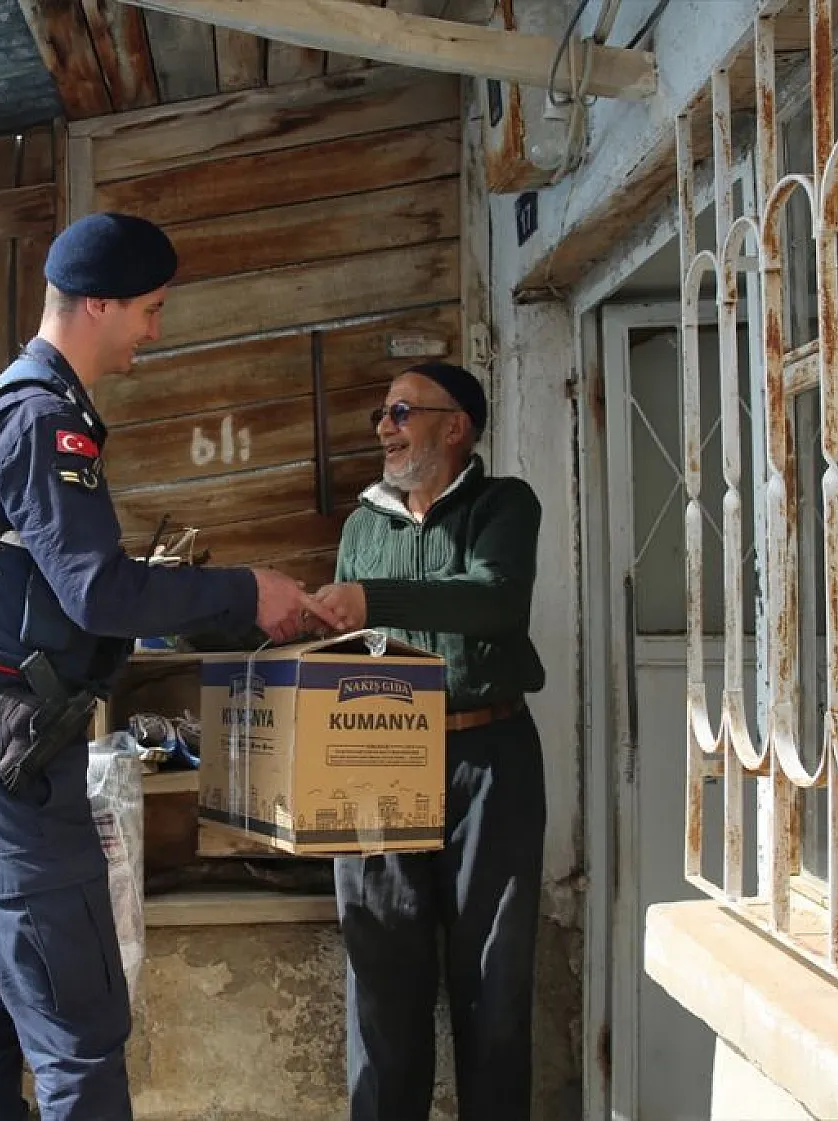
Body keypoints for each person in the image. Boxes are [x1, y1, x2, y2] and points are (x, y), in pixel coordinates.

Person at [0, 211, 342, 1121]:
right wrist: (246, 590)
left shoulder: (7, 399)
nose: (155, 330)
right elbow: (97, 595)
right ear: (99, 304)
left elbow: (55, 584)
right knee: (82, 1036)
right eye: (149, 309)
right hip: (11, 756)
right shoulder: (43, 418)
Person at [310, 362, 548, 1121]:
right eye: (382, 412)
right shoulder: (361, 527)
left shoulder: (502, 505)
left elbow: (496, 599)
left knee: (495, 980)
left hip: (489, 761)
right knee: (381, 978)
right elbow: (349, 646)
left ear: (456, 425)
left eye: (403, 411)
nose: (385, 424)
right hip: (378, 758)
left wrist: (375, 598)